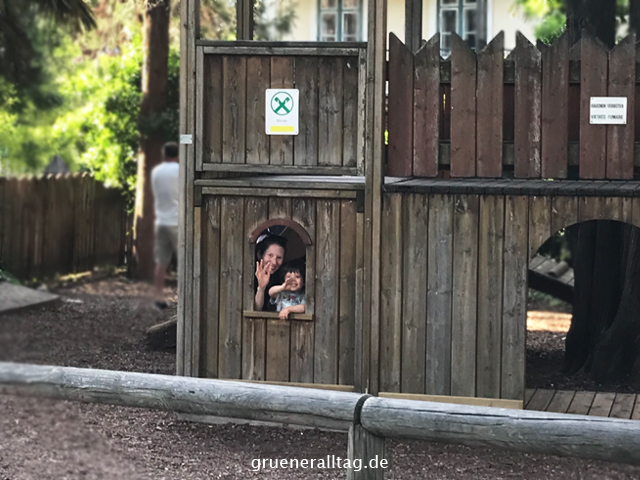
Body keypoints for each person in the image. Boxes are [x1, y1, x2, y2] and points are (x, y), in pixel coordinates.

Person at [151, 141, 179, 309]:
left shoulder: (156, 172)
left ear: (164, 154)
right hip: (176, 221)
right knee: (184, 260)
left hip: (161, 220)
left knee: (161, 262)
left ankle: (159, 297)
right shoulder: (180, 170)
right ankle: (184, 297)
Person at [254, 235, 287, 311]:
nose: (274, 262)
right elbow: (256, 310)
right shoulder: (247, 275)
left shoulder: (283, 278)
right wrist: (261, 287)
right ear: (260, 255)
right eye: (270, 255)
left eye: (279, 258)